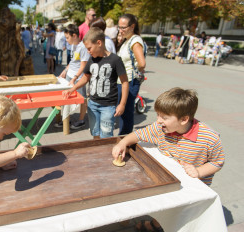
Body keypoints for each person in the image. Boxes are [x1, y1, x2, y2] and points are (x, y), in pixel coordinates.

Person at [112, 87, 225, 231]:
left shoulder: (209, 138)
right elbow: (139, 134)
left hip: (191, 190)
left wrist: (199, 171)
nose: (158, 121)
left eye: (164, 117)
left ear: (184, 119)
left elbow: (218, 162)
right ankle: (156, 224)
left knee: (180, 217)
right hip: (168, 182)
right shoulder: (160, 129)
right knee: (164, 210)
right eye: (158, 115)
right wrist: (123, 143)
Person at [63, 27, 128, 138]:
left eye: (89, 48)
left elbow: (125, 82)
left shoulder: (115, 60)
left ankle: (106, 154)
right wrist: (72, 88)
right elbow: (85, 77)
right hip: (92, 104)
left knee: (106, 135)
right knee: (95, 133)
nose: (88, 52)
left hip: (108, 106)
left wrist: (122, 104)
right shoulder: (92, 59)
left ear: (99, 43)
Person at [116, 14, 146, 135]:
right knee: (124, 113)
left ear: (132, 26)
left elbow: (142, 63)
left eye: (123, 27)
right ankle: (124, 138)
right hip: (124, 81)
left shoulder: (135, 41)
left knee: (126, 113)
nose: (120, 30)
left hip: (129, 81)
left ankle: (125, 140)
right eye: (119, 27)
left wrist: (135, 72)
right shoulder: (128, 40)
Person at [58, 24, 90, 129]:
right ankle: (66, 119)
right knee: (66, 97)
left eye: (67, 37)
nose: (66, 40)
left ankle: (81, 120)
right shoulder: (73, 45)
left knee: (82, 99)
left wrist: (74, 78)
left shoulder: (83, 47)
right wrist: (65, 70)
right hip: (70, 75)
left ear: (74, 35)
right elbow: (72, 62)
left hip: (78, 78)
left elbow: (83, 65)